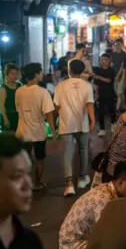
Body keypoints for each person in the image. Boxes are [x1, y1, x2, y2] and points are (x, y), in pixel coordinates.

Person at [59, 161, 126, 249]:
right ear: (121, 182)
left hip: (84, 244)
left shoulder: (109, 190)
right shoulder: (104, 199)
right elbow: (109, 237)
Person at [54, 59, 95, 197]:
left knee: (67, 153)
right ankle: (82, 178)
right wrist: (92, 120)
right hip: (82, 122)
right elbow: (89, 104)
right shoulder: (87, 86)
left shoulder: (61, 85)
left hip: (66, 122)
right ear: (83, 70)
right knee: (83, 150)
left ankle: (69, 184)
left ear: (69, 70)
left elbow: (56, 106)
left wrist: (53, 121)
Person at [15, 63, 57, 191]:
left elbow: (18, 110)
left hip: (22, 131)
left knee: (23, 160)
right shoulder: (43, 92)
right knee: (40, 160)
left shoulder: (19, 91)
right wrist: (53, 131)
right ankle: (37, 183)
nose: (41, 75)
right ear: (36, 74)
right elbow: (49, 113)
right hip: (38, 132)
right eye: (40, 72)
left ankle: (24, 184)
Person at [93, 53, 116, 137]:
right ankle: (102, 129)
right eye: (102, 60)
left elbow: (108, 80)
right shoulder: (98, 70)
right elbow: (96, 84)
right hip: (101, 94)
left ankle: (113, 125)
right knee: (100, 112)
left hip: (110, 93)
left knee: (112, 110)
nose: (103, 62)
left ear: (109, 61)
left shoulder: (111, 70)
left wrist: (98, 77)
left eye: (105, 60)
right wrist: (96, 94)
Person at [0, 63, 22, 131]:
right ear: (7, 74)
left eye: (16, 73)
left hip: (18, 116)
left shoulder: (19, 85)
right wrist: (5, 119)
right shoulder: (3, 88)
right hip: (8, 116)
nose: (15, 76)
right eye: (12, 73)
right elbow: (1, 106)